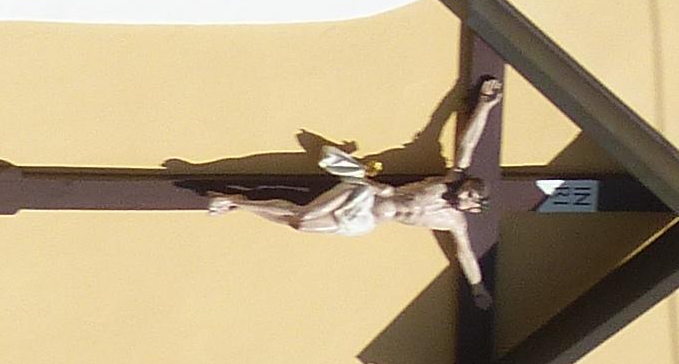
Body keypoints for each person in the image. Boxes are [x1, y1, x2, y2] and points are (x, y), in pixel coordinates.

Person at [204, 68, 504, 284]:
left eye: (469, 197)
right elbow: (468, 143)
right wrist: (484, 105)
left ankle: (238, 201)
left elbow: (465, 255)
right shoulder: (450, 180)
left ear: (474, 207)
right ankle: (233, 201)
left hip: (367, 221)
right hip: (366, 194)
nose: (463, 193)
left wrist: (477, 289)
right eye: (467, 189)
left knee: (299, 224)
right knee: (306, 214)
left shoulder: (455, 223)